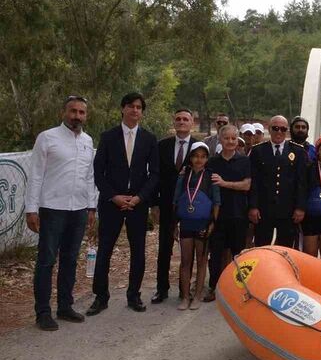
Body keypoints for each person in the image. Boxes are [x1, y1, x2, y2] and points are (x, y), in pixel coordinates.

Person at [25, 95, 95, 330]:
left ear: (86, 116)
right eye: (73, 111)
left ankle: (65, 306)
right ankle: (42, 313)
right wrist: (31, 209)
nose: (77, 116)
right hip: (52, 209)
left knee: (70, 259)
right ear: (63, 113)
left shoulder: (87, 140)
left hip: (78, 210)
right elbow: (35, 175)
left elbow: (89, 177)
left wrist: (91, 207)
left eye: (81, 112)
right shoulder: (47, 138)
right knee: (46, 261)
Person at [88, 92, 159, 316]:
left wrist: (140, 198)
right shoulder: (108, 136)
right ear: (123, 109)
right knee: (105, 250)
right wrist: (114, 196)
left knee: (138, 251)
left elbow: (154, 174)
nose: (135, 110)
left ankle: (134, 295)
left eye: (139, 107)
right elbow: (98, 172)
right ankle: (101, 297)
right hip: (111, 203)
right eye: (130, 106)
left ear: (142, 112)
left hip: (138, 204)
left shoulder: (149, 139)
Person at [151, 109, 196, 304]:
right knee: (164, 248)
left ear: (191, 123)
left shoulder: (198, 147)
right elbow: (154, 177)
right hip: (166, 204)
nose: (181, 122)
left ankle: (184, 289)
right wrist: (154, 204)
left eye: (185, 119)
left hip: (190, 206)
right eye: (178, 119)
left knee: (188, 248)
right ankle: (161, 289)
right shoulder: (162, 146)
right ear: (174, 122)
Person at [206, 124, 251, 302]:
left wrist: (225, 183)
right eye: (227, 138)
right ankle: (214, 288)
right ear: (220, 139)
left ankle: (237, 289)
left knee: (238, 255)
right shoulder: (212, 163)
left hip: (239, 214)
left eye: (234, 138)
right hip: (217, 216)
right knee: (215, 254)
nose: (230, 141)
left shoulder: (244, 161)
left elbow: (247, 185)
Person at [248, 115, 307, 247]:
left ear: (287, 131)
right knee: (262, 247)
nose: (279, 132)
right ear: (269, 129)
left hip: (288, 210)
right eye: (275, 128)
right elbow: (254, 182)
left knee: (285, 248)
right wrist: (253, 206)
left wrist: (300, 207)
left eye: (282, 129)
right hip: (264, 209)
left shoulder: (298, 151)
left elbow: (301, 182)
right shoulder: (258, 151)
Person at [173, 143, 219, 310]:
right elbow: (176, 200)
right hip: (186, 223)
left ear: (207, 159)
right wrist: (175, 224)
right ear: (190, 157)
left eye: (203, 156)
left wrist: (213, 222)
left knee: (201, 261)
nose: (199, 159)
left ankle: (198, 295)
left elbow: (217, 202)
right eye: (195, 156)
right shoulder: (183, 175)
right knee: (185, 261)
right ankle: (185, 296)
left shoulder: (211, 176)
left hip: (203, 224)